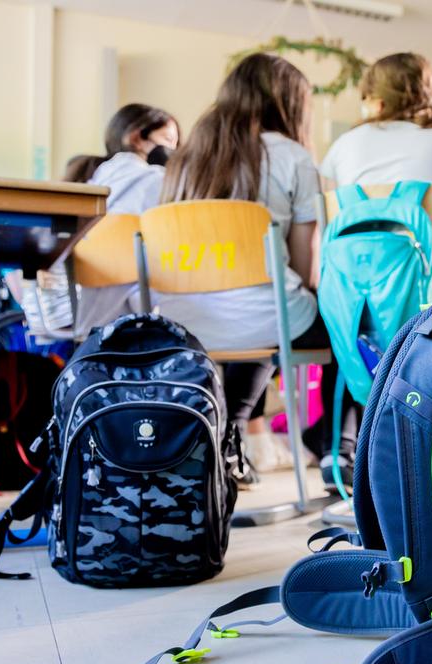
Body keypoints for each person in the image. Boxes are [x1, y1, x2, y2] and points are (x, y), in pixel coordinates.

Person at [157, 54, 346, 482]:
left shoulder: (186, 157)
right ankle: (336, 447)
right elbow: (303, 267)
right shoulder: (294, 157)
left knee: (259, 314)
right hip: (266, 315)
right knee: (344, 325)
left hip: (183, 318)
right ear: (288, 105)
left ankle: (228, 434)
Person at [320, 51, 432, 263]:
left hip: (354, 277)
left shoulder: (341, 147)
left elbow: (325, 237)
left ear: (372, 96)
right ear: (429, 95)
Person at [60, 104, 181, 334]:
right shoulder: (159, 180)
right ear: (136, 138)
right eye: (168, 140)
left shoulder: (91, 182)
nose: (174, 150)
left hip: (87, 320)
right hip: (149, 317)